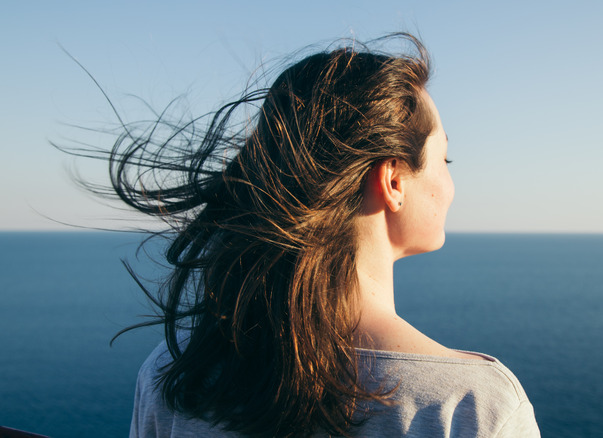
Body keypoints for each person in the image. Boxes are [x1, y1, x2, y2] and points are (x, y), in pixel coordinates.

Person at [109, 33, 539, 437]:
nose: (449, 184)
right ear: (392, 180)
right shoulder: (473, 408)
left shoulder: (176, 374)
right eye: (445, 158)